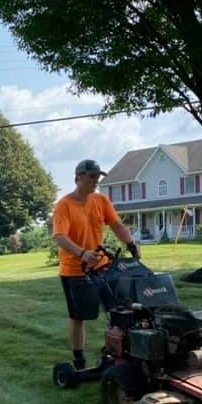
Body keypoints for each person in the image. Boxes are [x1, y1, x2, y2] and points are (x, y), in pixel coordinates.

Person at [52, 159, 141, 370]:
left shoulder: (101, 201)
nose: (95, 181)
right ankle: (79, 359)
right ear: (78, 178)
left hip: (103, 267)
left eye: (97, 177)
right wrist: (82, 253)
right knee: (80, 316)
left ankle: (117, 351)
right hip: (75, 271)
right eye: (91, 176)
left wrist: (131, 243)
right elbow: (60, 237)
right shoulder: (64, 205)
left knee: (119, 310)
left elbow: (117, 225)